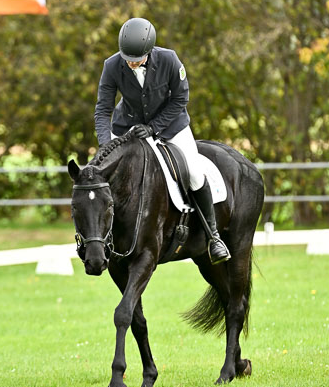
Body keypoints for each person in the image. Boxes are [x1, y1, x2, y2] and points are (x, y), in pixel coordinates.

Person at [94, 17, 230, 264]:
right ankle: (104, 241)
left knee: (194, 173)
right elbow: (103, 109)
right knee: (103, 176)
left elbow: (180, 99)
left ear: (149, 50)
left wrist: (154, 127)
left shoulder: (169, 60)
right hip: (128, 128)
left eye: (137, 59)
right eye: (128, 59)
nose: (132, 64)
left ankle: (214, 236)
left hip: (171, 126)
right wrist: (106, 145)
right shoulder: (112, 65)